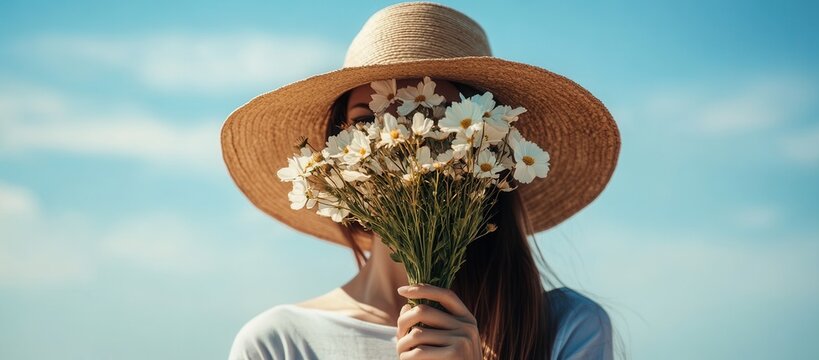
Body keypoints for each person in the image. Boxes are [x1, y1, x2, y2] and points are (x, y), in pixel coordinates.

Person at [220, 2, 622, 359]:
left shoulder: (566, 328)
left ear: (487, 151)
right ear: (336, 160)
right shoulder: (279, 344)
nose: (399, 141)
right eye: (366, 121)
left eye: (432, 117)